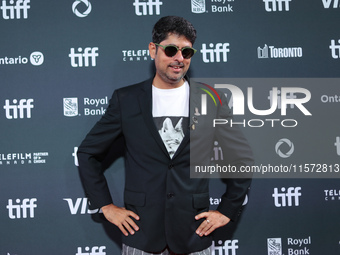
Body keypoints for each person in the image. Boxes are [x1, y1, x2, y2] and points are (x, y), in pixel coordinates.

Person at [77, 16, 253, 255]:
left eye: (186, 52)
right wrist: (105, 205)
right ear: (153, 50)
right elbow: (87, 152)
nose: (179, 58)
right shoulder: (126, 100)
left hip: (195, 234)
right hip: (142, 233)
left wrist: (227, 210)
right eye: (171, 50)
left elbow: (241, 158)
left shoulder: (211, 99)